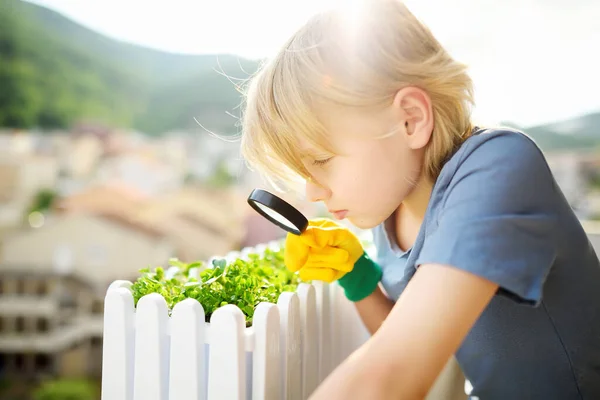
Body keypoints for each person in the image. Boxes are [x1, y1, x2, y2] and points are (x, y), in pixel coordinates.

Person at [239, 0, 600, 399]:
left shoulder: (500, 167)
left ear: (410, 118)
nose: (312, 192)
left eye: (321, 160)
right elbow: (410, 340)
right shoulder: (385, 216)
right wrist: (357, 275)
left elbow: (393, 373)